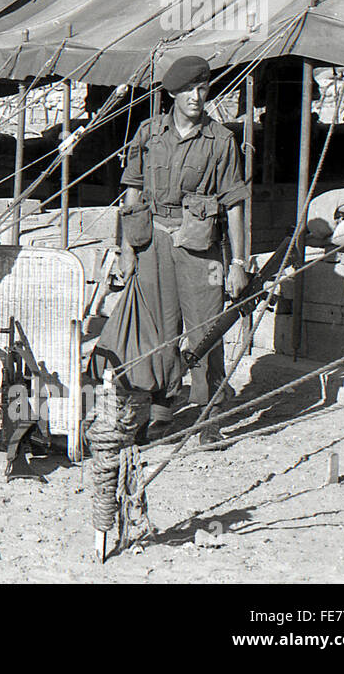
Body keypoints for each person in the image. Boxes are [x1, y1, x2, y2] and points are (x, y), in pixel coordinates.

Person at [111, 55, 248, 439]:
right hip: (153, 243)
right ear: (172, 93)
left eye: (202, 88)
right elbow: (132, 191)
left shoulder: (221, 140)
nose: (196, 96)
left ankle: (209, 415)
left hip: (200, 249)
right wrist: (125, 249)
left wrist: (238, 261)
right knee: (158, 330)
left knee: (206, 330)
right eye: (188, 89)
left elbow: (235, 203)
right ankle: (160, 408)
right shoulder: (148, 134)